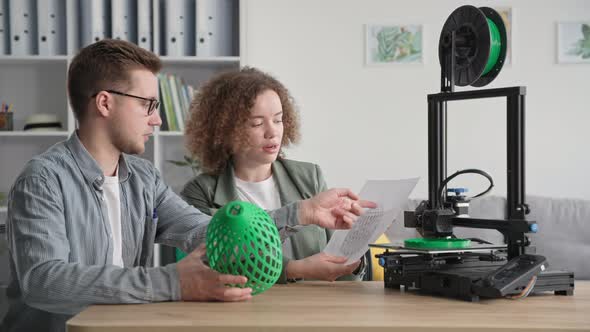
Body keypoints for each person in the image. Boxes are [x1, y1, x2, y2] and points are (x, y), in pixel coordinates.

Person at [0, 40, 375, 332]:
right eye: (148, 104)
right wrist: (172, 283)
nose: (159, 118)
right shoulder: (43, 179)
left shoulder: (143, 179)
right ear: (104, 103)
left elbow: (208, 234)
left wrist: (302, 212)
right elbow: (44, 281)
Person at [181, 67, 364, 283]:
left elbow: (339, 262)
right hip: (238, 311)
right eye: (257, 123)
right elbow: (218, 264)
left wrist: (357, 253)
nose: (272, 131)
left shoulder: (309, 176)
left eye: (278, 120)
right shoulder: (200, 192)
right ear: (225, 131)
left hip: (314, 310)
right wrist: (295, 269)